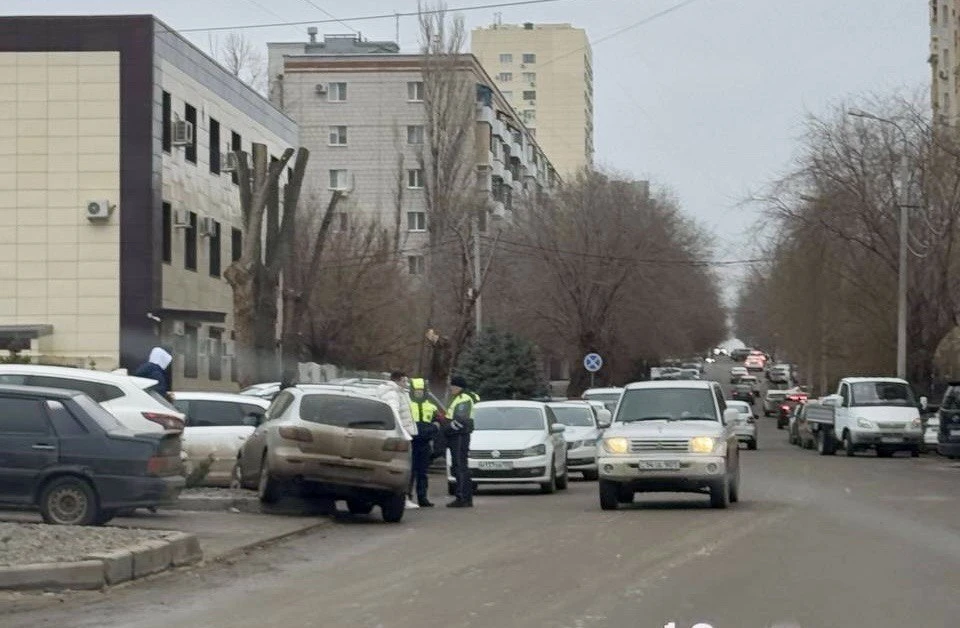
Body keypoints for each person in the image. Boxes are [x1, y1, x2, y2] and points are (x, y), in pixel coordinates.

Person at [444, 375, 479, 508]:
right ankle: (465, 497)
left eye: (452, 386)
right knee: (460, 466)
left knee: (460, 466)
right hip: (458, 435)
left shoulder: (463, 399)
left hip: (459, 436)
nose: (451, 388)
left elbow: (460, 420)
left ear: (458, 387)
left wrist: (446, 429)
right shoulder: (459, 398)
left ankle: (462, 497)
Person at [408, 377, 439, 507]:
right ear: (412, 391)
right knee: (410, 472)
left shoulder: (431, 406)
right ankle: (407, 497)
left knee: (423, 473)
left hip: (425, 443)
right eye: (416, 391)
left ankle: (422, 497)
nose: (419, 393)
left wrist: (434, 428)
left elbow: (438, 421)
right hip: (411, 442)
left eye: (421, 391)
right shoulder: (407, 405)